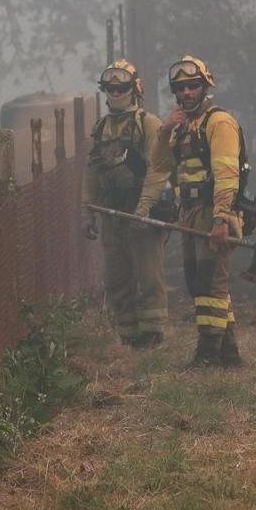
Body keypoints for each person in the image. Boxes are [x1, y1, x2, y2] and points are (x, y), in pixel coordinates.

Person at [139, 55, 243, 368]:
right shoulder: (183, 127)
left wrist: (221, 218)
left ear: (205, 86)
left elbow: (227, 174)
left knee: (211, 284)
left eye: (193, 86)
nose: (186, 93)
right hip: (190, 213)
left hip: (214, 211)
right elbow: (159, 165)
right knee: (200, 283)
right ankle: (230, 354)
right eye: (180, 88)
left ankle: (207, 357)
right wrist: (163, 132)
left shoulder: (219, 123)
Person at [82, 59, 172, 348]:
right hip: (112, 214)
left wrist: (144, 208)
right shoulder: (100, 129)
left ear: (135, 89)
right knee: (116, 278)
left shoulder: (148, 124)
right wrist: (88, 211)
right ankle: (129, 337)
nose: (116, 91)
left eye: (122, 86)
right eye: (111, 87)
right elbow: (91, 172)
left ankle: (152, 335)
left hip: (141, 213)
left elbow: (159, 169)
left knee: (148, 275)